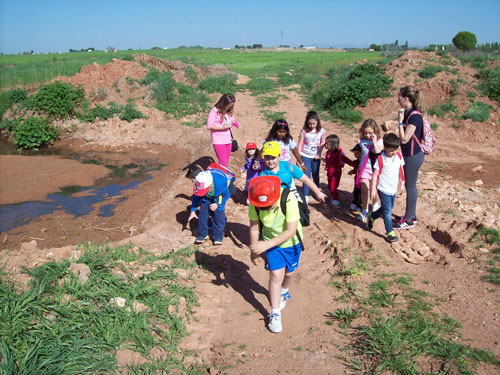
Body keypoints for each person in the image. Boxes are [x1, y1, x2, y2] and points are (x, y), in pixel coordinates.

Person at [248, 175, 303, 333]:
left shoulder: (288, 198)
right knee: (276, 275)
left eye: (268, 206)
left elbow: (291, 231)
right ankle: (275, 313)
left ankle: (284, 291)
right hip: (270, 242)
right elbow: (254, 228)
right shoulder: (255, 201)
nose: (265, 210)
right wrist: (254, 252)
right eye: (262, 207)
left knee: (289, 274)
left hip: (291, 243)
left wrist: (266, 245)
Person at [394, 86, 425, 230]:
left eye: (399, 96)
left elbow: (405, 139)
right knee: (409, 186)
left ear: (406, 98)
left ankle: (409, 219)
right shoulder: (408, 113)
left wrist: (400, 122)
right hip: (409, 155)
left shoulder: (415, 116)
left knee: (410, 187)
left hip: (413, 156)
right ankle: (410, 215)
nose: (397, 99)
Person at [259, 141, 327, 204]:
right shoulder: (262, 175)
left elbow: (306, 179)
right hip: (273, 204)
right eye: (267, 158)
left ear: (279, 156)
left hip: (290, 202)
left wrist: (318, 193)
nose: (270, 161)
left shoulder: (289, 167)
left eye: (273, 157)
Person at [367, 133, 405, 242]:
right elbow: (375, 174)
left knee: (386, 208)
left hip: (393, 188)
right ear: (385, 147)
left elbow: (401, 169)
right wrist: (373, 189)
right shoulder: (380, 158)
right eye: (391, 151)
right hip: (383, 188)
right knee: (388, 212)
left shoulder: (398, 156)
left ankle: (372, 216)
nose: (393, 153)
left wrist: (402, 183)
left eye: (395, 150)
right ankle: (390, 232)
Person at [187, 170, 230, 245]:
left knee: (219, 217)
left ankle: (218, 236)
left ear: (210, 185)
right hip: (206, 198)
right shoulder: (199, 184)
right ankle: (202, 234)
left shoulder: (220, 184)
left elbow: (226, 195)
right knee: (202, 215)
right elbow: (196, 197)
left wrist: (218, 204)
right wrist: (193, 211)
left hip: (218, 198)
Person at [356, 119, 383, 222]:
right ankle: (364, 211)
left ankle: (376, 205)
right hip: (364, 169)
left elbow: (378, 153)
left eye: (370, 133)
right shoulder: (362, 141)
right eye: (365, 133)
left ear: (375, 131)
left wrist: (374, 142)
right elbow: (361, 154)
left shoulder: (380, 141)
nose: (367, 135)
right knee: (364, 189)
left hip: (374, 169)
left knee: (373, 190)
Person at [297, 111, 326, 203]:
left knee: (315, 174)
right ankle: (306, 194)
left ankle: (317, 192)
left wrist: (319, 153)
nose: (312, 126)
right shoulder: (304, 131)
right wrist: (299, 158)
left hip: (316, 157)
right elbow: (300, 144)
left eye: (314, 124)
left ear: (317, 122)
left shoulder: (322, 131)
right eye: (310, 124)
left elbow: (323, 143)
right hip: (305, 156)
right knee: (306, 175)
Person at [206, 93, 239, 167]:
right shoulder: (214, 111)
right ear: (224, 103)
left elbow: (231, 119)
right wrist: (222, 128)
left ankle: (224, 175)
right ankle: (222, 177)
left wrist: (234, 122)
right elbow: (209, 126)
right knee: (223, 161)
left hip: (228, 139)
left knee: (226, 162)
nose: (230, 107)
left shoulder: (229, 111)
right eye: (229, 105)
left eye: (232, 105)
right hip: (218, 140)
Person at [324, 134, 354, 206]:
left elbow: (346, 160)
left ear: (333, 145)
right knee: (330, 186)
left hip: (335, 173)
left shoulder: (338, 154)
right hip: (329, 173)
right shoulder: (328, 152)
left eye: (327, 144)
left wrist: (354, 165)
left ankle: (336, 199)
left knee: (333, 187)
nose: (325, 145)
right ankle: (333, 196)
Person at [348, 144, 362, 212]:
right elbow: (355, 169)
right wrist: (353, 171)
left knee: (362, 194)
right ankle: (355, 201)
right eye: (354, 153)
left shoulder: (366, 163)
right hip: (356, 181)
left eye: (357, 153)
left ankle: (360, 204)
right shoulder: (356, 162)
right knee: (356, 192)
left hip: (363, 181)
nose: (355, 154)